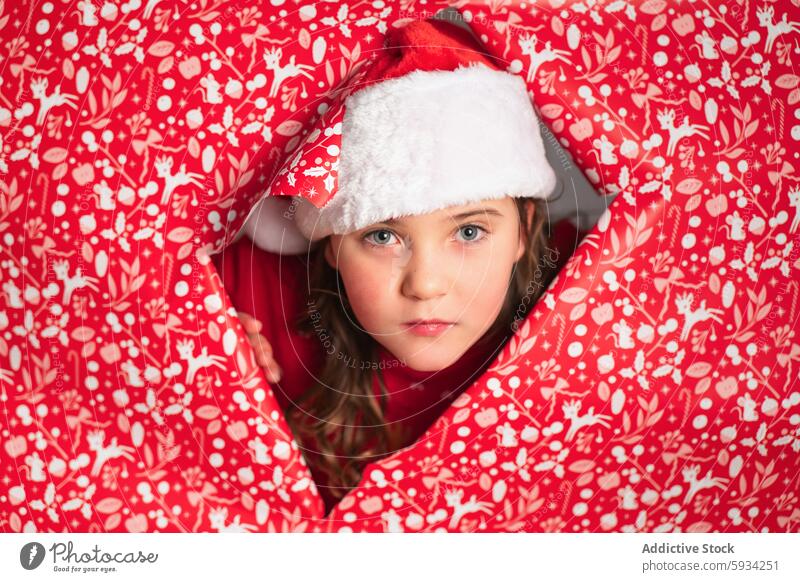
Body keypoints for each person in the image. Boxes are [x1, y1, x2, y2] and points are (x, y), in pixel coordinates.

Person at [212, 18, 579, 514]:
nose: (426, 284)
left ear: (523, 229)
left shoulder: (591, 286)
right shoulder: (245, 293)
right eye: (382, 236)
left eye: (469, 232)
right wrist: (194, 355)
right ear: (328, 245)